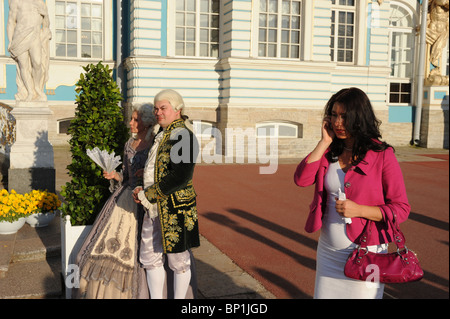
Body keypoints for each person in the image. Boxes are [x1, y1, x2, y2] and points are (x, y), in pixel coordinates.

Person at [294, 87, 410, 299]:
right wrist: (324, 142)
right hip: (328, 251)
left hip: (368, 252)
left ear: (359, 118)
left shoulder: (382, 155)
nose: (338, 123)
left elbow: (401, 209)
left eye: (345, 117)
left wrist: (360, 210)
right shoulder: (329, 151)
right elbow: (301, 179)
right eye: (335, 115)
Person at [75, 103, 157, 299]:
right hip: (123, 198)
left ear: (145, 123)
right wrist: (115, 176)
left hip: (144, 201)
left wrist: (145, 176)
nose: (130, 122)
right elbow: (126, 176)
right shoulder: (129, 144)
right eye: (132, 118)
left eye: (135, 119)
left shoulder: (155, 145)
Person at [133, 89, 200, 299]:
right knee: (150, 257)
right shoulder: (161, 133)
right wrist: (145, 174)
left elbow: (180, 175)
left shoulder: (184, 135)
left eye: (163, 108)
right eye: (156, 108)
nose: (158, 112)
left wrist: (149, 194)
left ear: (177, 110)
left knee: (178, 261)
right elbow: (164, 167)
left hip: (174, 207)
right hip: (153, 207)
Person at [7, 0, 51, 101]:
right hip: (19, 37)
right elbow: (11, 22)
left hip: (34, 36)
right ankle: (30, 92)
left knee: (37, 63)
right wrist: (10, 40)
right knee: (24, 66)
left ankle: (37, 88)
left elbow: (46, 26)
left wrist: (46, 15)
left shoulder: (40, 2)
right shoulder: (16, 2)